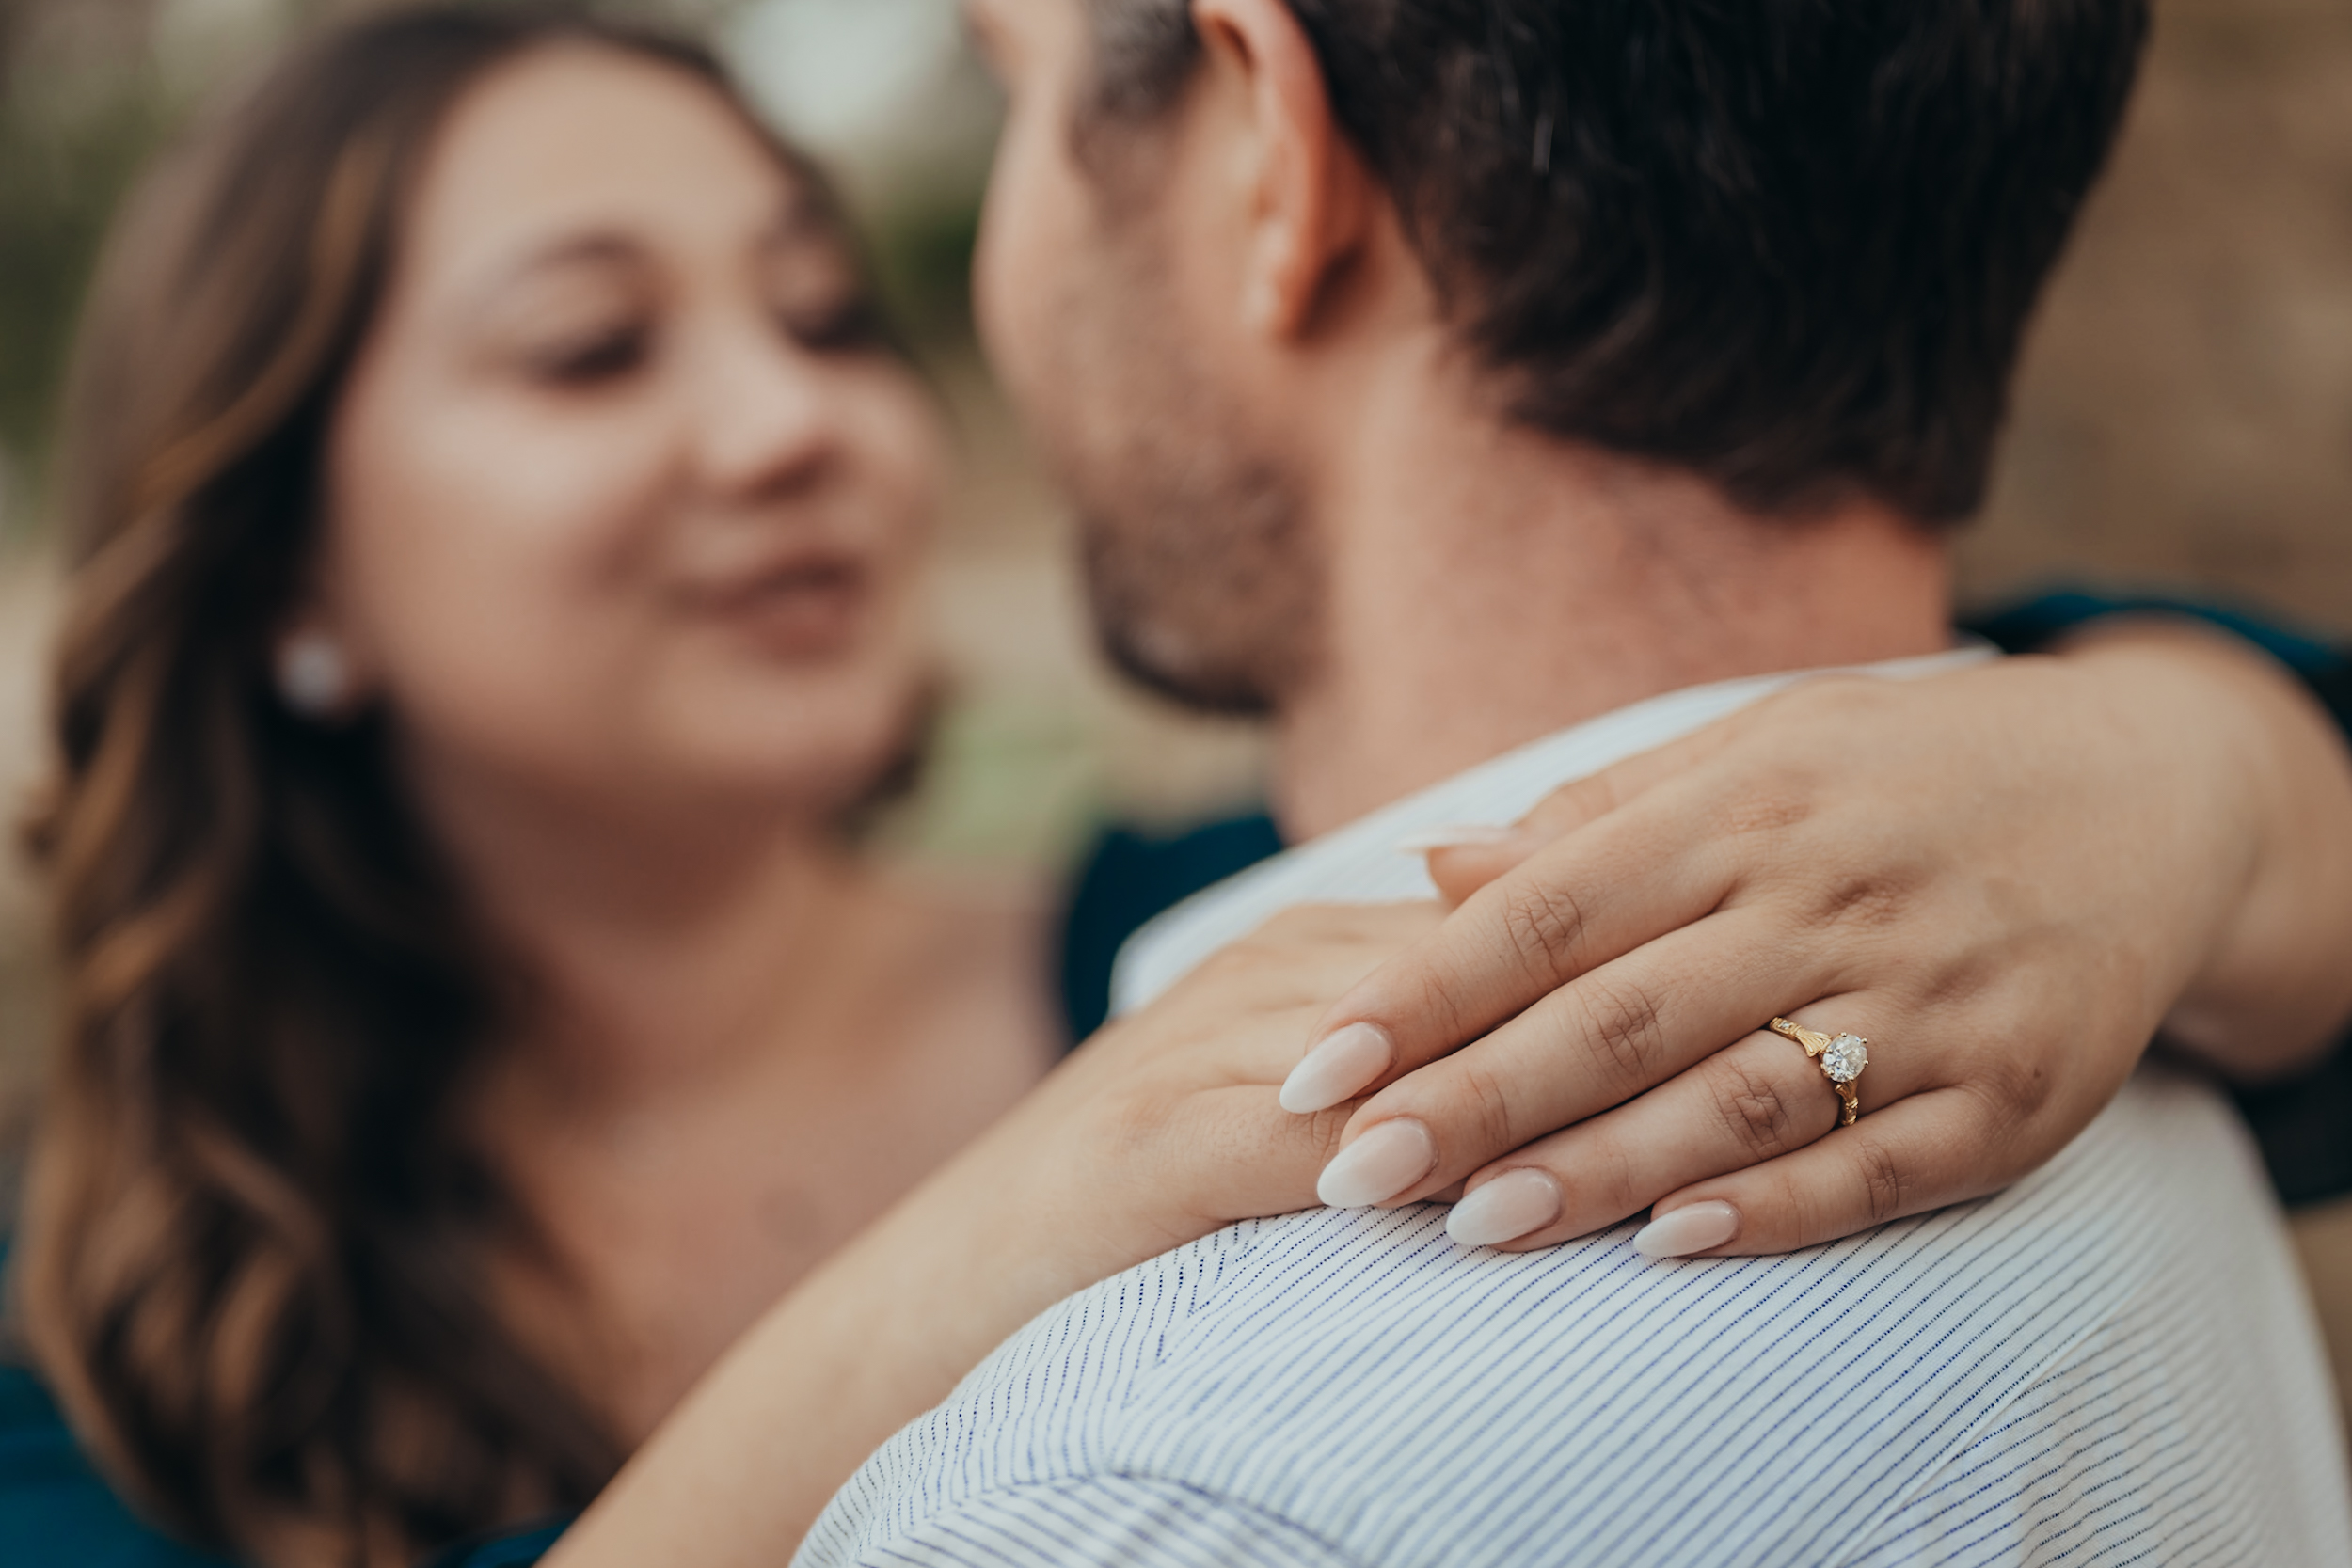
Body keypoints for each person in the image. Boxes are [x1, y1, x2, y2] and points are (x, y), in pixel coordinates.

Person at [10, 8, 2352, 1568]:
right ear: (276, 566)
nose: (790, 423)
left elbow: (1812, 771)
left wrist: (2185, 773)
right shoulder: (95, 1301)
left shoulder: (1344, 950)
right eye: (592, 346)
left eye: (826, 314)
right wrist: (962, 1256)